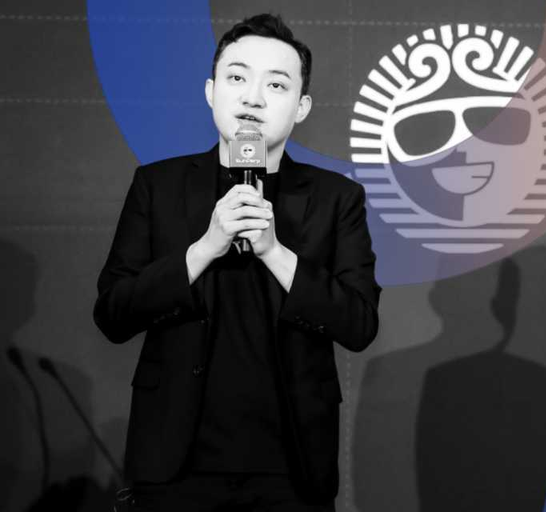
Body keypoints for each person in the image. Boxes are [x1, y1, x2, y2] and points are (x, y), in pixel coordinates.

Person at [93, 13, 380, 511]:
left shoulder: (337, 198)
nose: (253, 98)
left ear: (302, 106)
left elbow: (358, 324)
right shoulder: (158, 186)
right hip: (174, 465)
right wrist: (204, 248)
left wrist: (274, 251)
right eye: (237, 78)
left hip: (291, 469)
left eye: (276, 84)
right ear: (211, 92)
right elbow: (113, 313)